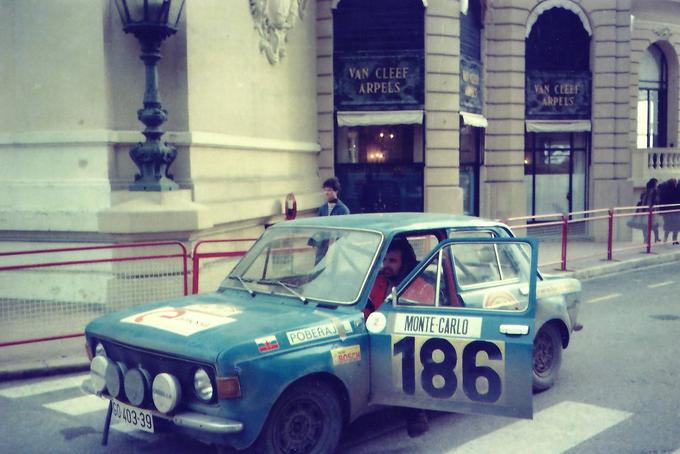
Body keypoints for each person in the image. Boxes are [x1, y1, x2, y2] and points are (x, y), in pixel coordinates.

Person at [364, 238, 433, 438]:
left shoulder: (419, 285)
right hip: (376, 334)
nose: (386, 266)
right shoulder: (378, 280)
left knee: (406, 355)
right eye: (384, 260)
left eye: (392, 261)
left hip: (408, 341)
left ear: (404, 263)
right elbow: (366, 308)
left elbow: (421, 325)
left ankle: (415, 413)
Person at [658, 178, 680, 244]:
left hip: (667, 211)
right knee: (676, 225)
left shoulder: (665, 191)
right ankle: (674, 239)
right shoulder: (676, 191)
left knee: (668, 225)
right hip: (676, 211)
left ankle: (665, 238)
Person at [638, 178, 660, 243]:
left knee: (645, 226)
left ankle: (646, 239)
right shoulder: (655, 191)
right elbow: (657, 200)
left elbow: (641, 198)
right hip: (652, 210)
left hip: (644, 210)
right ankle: (656, 238)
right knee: (654, 225)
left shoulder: (644, 191)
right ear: (654, 184)